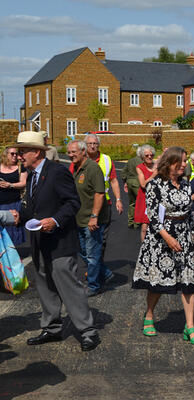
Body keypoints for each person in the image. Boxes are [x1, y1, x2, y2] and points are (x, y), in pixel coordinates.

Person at [15, 131, 99, 351]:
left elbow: (73, 203)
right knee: (45, 287)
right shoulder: (32, 174)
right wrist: (20, 216)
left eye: (23, 151)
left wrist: (54, 220)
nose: (19, 155)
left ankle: (88, 331)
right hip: (39, 241)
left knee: (70, 287)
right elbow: (33, 207)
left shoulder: (57, 172)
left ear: (36, 152)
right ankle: (52, 328)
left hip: (59, 242)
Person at [132, 147, 194, 345]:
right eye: (179, 161)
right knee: (159, 283)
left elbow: (188, 213)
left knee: (188, 282)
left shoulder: (186, 184)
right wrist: (167, 238)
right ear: (169, 163)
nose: (183, 165)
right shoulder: (155, 184)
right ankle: (149, 315)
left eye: (185, 161)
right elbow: (153, 216)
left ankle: (190, 326)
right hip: (162, 238)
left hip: (184, 237)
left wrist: (191, 236)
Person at [67, 139, 113, 296]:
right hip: (79, 218)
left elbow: (99, 193)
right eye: (69, 152)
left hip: (92, 219)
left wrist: (94, 216)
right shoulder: (75, 168)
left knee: (92, 255)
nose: (70, 155)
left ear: (82, 152)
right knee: (82, 251)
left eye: (74, 152)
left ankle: (93, 286)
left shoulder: (92, 168)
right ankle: (105, 273)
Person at [76, 134, 123, 260]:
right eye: (90, 144)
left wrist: (118, 199)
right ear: (85, 146)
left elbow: (113, 181)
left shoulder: (107, 160)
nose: (92, 146)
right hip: (82, 205)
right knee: (81, 242)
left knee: (100, 241)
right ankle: (98, 269)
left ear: (99, 145)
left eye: (95, 144)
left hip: (103, 205)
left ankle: (95, 271)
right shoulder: (78, 160)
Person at [0, 146, 27, 245]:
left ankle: (14, 253)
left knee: (13, 229)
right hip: (1, 204)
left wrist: (10, 185)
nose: (15, 156)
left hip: (13, 203)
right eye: (12, 154)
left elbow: (23, 183)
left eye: (16, 154)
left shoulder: (20, 167)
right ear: (5, 155)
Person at [134, 145, 157, 241]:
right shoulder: (140, 167)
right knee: (145, 226)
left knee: (157, 225)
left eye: (151, 155)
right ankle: (144, 249)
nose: (149, 157)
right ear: (142, 157)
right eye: (147, 155)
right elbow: (143, 184)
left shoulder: (157, 166)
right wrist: (154, 175)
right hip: (145, 198)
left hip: (157, 197)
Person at [121, 148, 143, 229]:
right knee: (140, 203)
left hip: (130, 181)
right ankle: (137, 222)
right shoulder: (142, 161)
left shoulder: (130, 160)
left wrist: (125, 182)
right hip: (138, 182)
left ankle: (131, 221)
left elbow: (124, 172)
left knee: (132, 203)